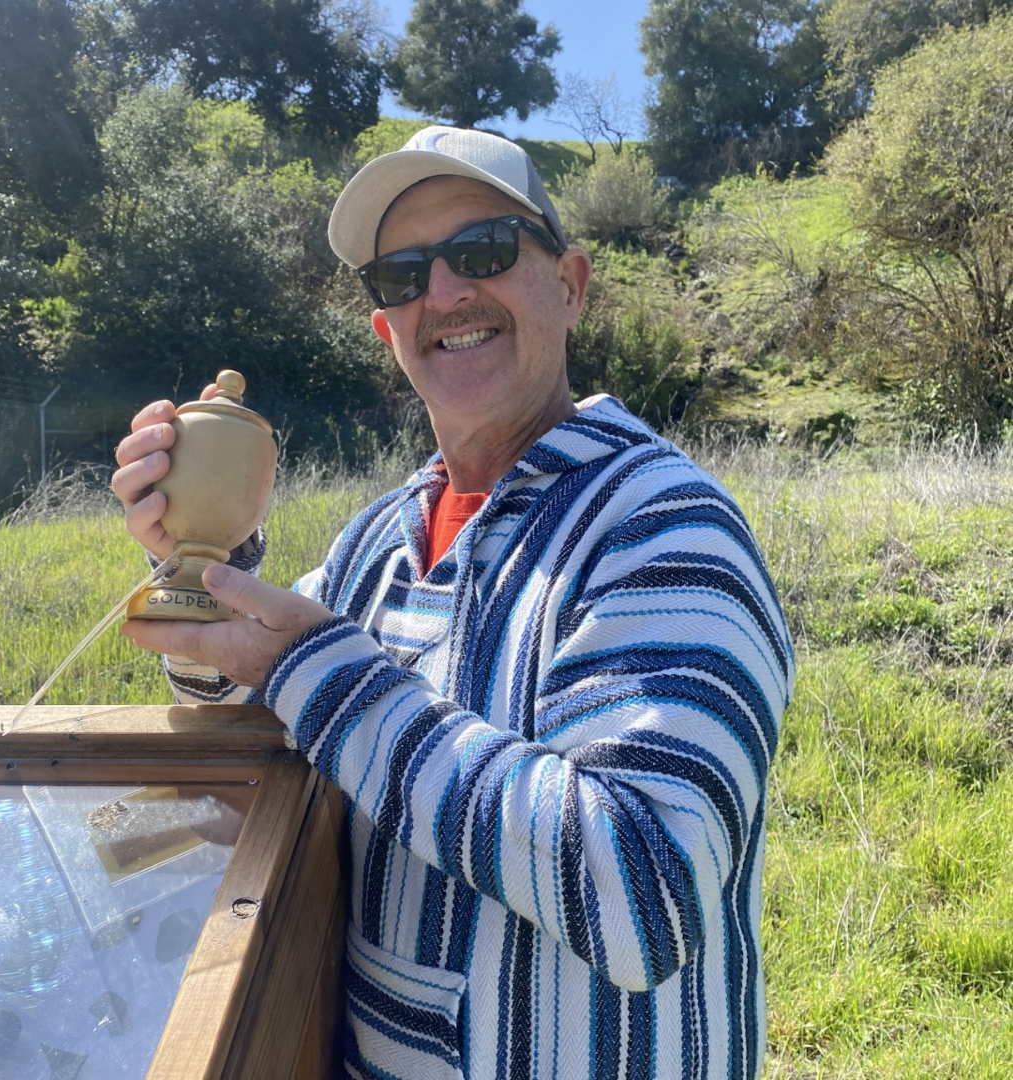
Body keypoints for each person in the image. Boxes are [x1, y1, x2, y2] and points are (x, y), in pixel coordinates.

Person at [113, 126, 794, 1080]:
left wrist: (321, 674)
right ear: (387, 331)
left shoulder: (665, 526)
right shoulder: (377, 539)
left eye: (483, 252)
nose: (442, 293)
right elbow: (255, 694)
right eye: (401, 275)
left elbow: (647, 893)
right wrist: (205, 557)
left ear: (571, 284)